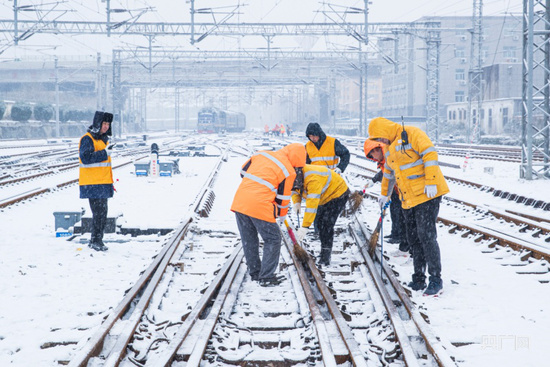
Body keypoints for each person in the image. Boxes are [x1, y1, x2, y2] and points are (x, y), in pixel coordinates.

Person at [367, 117, 449, 296]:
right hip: (408, 198)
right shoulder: (389, 148)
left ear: (386, 130)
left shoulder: (412, 134)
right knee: (413, 238)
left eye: (380, 138)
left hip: (428, 194)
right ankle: (418, 278)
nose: (381, 143)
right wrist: (384, 194)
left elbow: (430, 154)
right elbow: (388, 173)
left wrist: (431, 180)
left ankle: (436, 279)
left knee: (426, 236)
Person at [231, 143, 306, 287]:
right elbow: (283, 199)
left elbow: (242, 171)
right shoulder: (289, 171)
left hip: (240, 202)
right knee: (273, 238)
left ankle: (255, 272)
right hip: (259, 205)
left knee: (249, 239)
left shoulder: (262, 154)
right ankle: (266, 277)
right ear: (297, 160)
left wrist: (257, 184)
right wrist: (282, 215)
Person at [292, 165, 350, 266]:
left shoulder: (313, 180)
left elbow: (311, 206)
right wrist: (297, 202)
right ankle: (323, 252)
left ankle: (326, 257)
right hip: (325, 196)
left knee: (327, 225)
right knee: (319, 224)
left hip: (338, 193)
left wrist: (305, 226)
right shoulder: (295, 175)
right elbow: (295, 190)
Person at [363, 139, 410, 255]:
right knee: (398, 215)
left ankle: (406, 247)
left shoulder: (391, 156)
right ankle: (399, 239)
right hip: (397, 190)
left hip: (406, 191)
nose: (373, 158)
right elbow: (385, 174)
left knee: (405, 220)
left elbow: (390, 174)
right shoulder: (383, 159)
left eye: (372, 154)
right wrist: (374, 182)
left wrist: (387, 192)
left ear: (377, 149)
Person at [79, 111, 115, 252]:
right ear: (97, 124)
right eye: (104, 123)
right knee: (99, 214)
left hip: (102, 182)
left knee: (102, 214)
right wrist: (104, 153)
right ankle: (95, 240)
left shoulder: (102, 140)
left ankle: (97, 240)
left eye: (108, 124)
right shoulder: (87, 139)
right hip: (93, 183)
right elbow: (85, 158)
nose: (106, 126)